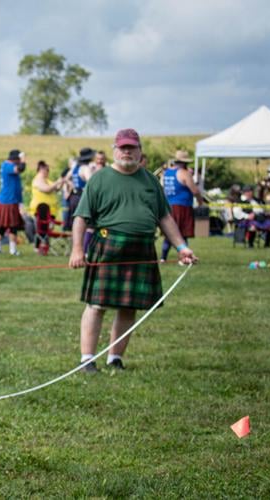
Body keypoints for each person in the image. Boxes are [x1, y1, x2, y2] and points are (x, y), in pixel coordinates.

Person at [69, 129, 197, 373]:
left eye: (132, 148)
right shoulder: (100, 178)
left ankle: (115, 359)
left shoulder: (150, 180)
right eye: (123, 148)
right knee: (97, 305)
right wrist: (77, 250)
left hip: (142, 248)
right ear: (114, 150)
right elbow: (80, 218)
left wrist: (182, 247)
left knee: (129, 306)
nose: (127, 152)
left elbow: (165, 217)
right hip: (108, 246)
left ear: (140, 152)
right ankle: (87, 359)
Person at [161, 150, 205, 261]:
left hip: (169, 205)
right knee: (183, 233)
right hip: (182, 206)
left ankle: (163, 258)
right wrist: (200, 202)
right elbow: (195, 191)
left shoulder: (166, 173)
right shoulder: (184, 173)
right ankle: (184, 258)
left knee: (169, 233)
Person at [0, 149, 26, 255]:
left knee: (3, 225)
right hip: (8, 200)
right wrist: (23, 159)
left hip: (10, 200)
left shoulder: (7, 166)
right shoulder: (7, 165)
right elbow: (20, 169)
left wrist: (20, 203)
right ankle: (12, 249)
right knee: (12, 226)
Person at [64, 147, 94, 231]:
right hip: (82, 198)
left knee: (74, 224)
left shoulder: (74, 169)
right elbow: (92, 183)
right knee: (87, 226)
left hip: (73, 198)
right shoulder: (85, 168)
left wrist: (72, 185)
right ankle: (85, 244)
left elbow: (66, 178)